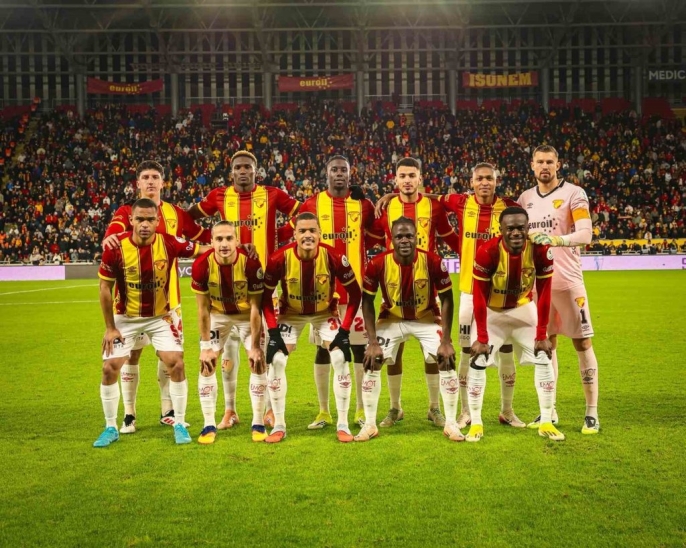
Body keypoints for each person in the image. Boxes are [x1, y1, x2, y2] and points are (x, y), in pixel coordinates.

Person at [188, 151, 301, 430]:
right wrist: (207, 241)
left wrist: (282, 235)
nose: (242, 171)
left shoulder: (272, 194)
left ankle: (270, 410)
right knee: (227, 355)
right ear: (231, 172)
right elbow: (188, 217)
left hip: (264, 285)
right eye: (237, 167)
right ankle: (230, 411)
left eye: (247, 167)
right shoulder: (219, 196)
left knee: (264, 352)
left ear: (255, 170)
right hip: (226, 291)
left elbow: (303, 212)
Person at [102, 160, 211, 433]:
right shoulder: (125, 211)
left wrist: (228, 238)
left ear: (163, 182)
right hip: (130, 305)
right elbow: (113, 236)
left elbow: (202, 237)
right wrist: (109, 238)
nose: (150, 181)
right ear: (138, 183)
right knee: (132, 356)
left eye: (155, 177)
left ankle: (168, 411)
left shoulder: (176, 213)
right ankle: (129, 414)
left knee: (169, 358)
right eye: (145, 177)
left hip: (168, 304)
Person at [280, 155, 381, 430]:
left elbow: (378, 233)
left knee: (359, 349)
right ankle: (324, 411)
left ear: (350, 173)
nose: (339, 174)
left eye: (343, 170)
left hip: (355, 292)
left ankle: (360, 409)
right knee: (323, 350)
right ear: (326, 174)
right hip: (322, 296)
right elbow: (293, 233)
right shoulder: (312, 204)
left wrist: (377, 202)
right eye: (334, 170)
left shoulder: (362, 204)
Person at [429, 163, 524, 430]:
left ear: (496, 181)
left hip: (501, 293)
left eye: (489, 178)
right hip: (470, 292)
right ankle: (465, 411)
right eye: (479, 178)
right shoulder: (461, 202)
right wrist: (393, 195)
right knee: (466, 350)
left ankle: (507, 410)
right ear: (471, 182)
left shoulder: (508, 207)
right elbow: (433, 198)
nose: (484, 182)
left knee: (506, 350)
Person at [371, 157, 461, 429]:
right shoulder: (387, 208)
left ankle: (434, 408)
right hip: (393, 290)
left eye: (412, 175)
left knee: (432, 353)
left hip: (427, 289)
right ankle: (395, 407)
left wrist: (473, 253)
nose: (407, 180)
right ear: (395, 179)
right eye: (402, 176)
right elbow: (369, 236)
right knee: (393, 353)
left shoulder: (433, 207)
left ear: (420, 178)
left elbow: (452, 239)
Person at [261, 212, 362, 444]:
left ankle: (343, 424)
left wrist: (344, 331)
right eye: (302, 231)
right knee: (276, 360)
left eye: (312, 231)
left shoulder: (334, 257)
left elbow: (355, 294)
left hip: (324, 313)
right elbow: (265, 298)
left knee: (340, 358)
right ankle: (279, 425)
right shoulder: (279, 259)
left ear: (320, 233)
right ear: (294, 234)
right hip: (291, 314)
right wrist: (274, 332)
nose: (307, 235)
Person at [519, 145, 599, 434]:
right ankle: (548, 411)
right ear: (532, 165)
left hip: (568, 283)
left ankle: (591, 413)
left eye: (549, 162)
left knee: (583, 344)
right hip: (538, 286)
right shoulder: (525, 198)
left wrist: (556, 240)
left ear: (558, 164)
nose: (544, 166)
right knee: (546, 345)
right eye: (539, 161)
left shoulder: (574, 194)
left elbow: (586, 234)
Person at [356, 217, 459, 442]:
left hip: (426, 317)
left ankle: (445, 419)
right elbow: (367, 302)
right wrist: (372, 342)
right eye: (399, 236)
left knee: (445, 358)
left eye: (409, 236)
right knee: (372, 360)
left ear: (416, 238)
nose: (404, 240)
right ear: (391, 239)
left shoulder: (432, 261)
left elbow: (448, 299)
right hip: (392, 318)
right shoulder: (378, 264)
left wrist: (446, 340)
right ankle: (375, 421)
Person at [467, 206, 565, 442]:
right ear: (500, 229)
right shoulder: (487, 251)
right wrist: (482, 337)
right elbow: (478, 296)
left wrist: (542, 334)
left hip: (523, 310)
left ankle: (546, 420)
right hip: (492, 313)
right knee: (478, 359)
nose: (516, 233)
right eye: (510, 228)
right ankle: (476, 423)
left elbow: (545, 293)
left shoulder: (540, 250)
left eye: (521, 228)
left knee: (544, 356)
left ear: (528, 227)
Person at [191, 221, 267, 444]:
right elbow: (202, 309)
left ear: (237, 241)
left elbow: (256, 307)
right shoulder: (201, 265)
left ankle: (258, 422)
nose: (224, 244)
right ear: (211, 242)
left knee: (258, 361)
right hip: (218, 316)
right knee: (207, 363)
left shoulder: (250, 263)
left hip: (246, 315)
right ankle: (208, 424)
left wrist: (255, 347)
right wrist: (206, 347)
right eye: (219, 239)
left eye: (229, 238)